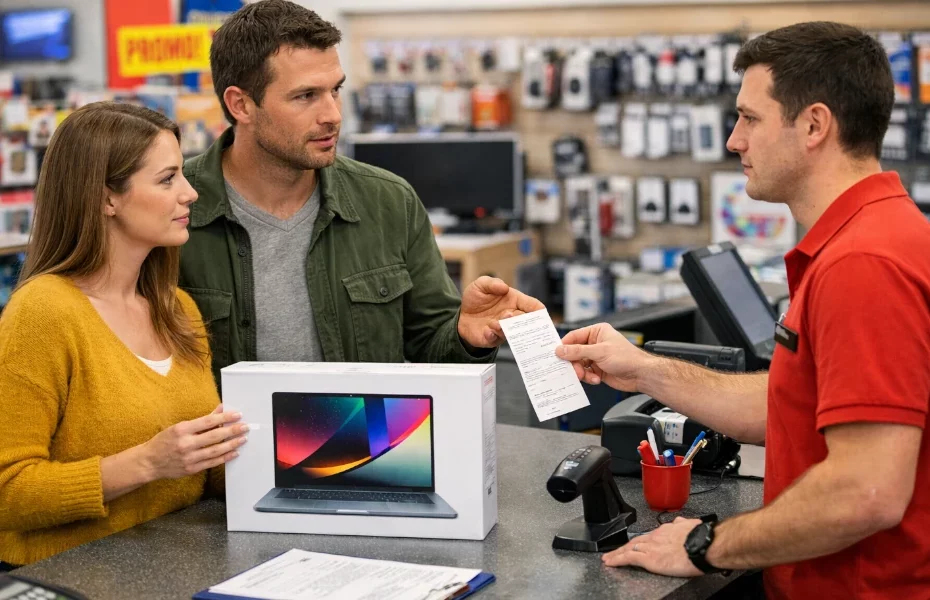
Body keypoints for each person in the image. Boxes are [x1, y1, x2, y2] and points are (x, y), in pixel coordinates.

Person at [557, 22, 930, 598]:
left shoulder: (864, 264)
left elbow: (865, 491)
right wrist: (644, 368)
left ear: (814, 125)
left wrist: (706, 545)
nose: (734, 140)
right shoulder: (874, 236)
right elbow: (792, 404)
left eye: (749, 118)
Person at [179, 0, 543, 385]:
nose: (333, 114)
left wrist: (465, 334)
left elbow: (431, 348)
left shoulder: (389, 201)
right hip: (229, 445)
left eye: (335, 90)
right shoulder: (173, 208)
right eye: (305, 96)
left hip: (365, 443)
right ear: (241, 105)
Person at [0, 103, 248, 568]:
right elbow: (8, 491)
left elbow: (203, 470)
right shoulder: (42, 314)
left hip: (174, 563)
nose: (190, 193)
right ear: (105, 199)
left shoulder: (178, 310)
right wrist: (147, 463)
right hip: (72, 575)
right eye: (167, 179)